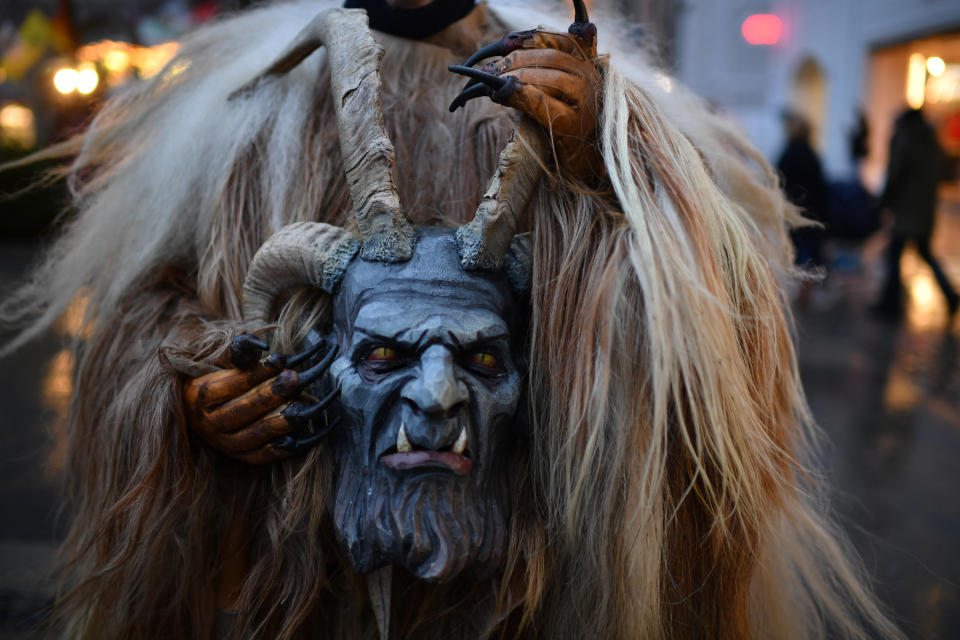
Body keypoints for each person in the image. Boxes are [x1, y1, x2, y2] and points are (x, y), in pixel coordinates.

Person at [0, 1, 901, 638]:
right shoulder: (238, 114)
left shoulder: (588, 96)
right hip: (294, 595)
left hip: (516, 605)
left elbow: (720, 332)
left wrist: (607, 165)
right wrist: (193, 396)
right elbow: (139, 318)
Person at [874, 108, 959, 319]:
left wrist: (884, 201)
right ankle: (950, 296)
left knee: (895, 256)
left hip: (905, 210)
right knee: (924, 254)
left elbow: (894, 173)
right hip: (924, 211)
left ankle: (890, 305)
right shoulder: (932, 143)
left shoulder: (904, 140)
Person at [777, 110, 828, 303]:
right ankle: (805, 290)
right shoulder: (812, 155)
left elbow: (779, 181)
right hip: (811, 211)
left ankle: (802, 291)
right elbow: (820, 186)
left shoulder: (789, 153)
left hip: (793, 210)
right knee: (808, 252)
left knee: (798, 251)